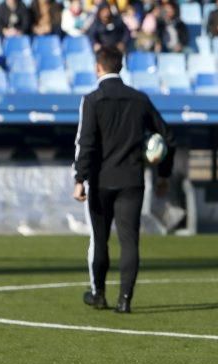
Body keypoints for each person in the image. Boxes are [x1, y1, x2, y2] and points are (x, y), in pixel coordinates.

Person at [72, 46, 176, 312]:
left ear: (98, 67)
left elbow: (87, 143)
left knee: (100, 238)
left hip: (101, 180)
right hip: (132, 180)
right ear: (121, 67)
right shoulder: (139, 99)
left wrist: (79, 178)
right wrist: (163, 174)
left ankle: (99, 295)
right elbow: (169, 138)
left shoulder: (92, 100)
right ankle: (125, 300)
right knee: (130, 241)